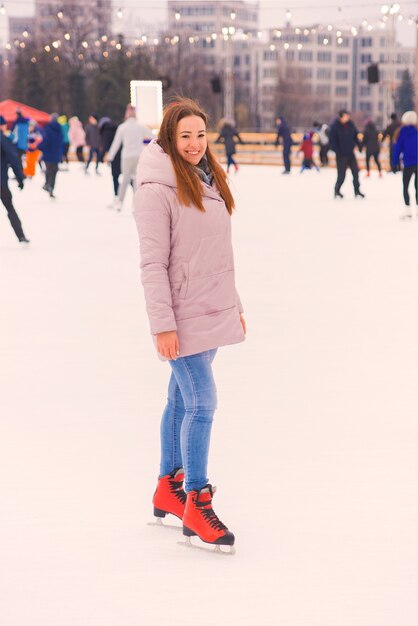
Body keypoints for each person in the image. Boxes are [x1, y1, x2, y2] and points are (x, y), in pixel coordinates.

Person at [134, 98, 246, 552]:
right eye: (185, 136)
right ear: (168, 138)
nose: (195, 143)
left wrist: (232, 303)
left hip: (210, 308)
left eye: (201, 134)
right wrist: (162, 325)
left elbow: (216, 255)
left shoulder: (207, 180)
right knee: (202, 403)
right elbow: (152, 264)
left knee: (180, 399)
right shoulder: (155, 190)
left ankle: (168, 485)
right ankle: (195, 499)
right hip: (180, 316)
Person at [107, 104, 152, 210]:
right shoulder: (140, 127)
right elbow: (153, 137)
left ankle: (120, 202)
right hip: (138, 156)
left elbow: (116, 143)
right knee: (137, 180)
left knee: (125, 180)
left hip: (126, 157)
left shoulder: (122, 127)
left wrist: (110, 156)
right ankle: (135, 204)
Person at [0, 115, 30, 243]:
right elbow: (13, 159)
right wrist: (20, 178)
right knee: (10, 207)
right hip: (1, 182)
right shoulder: (3, 139)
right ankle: (21, 235)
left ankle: (21, 235)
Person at [329, 109, 365, 199]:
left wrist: (359, 145)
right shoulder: (335, 127)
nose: (347, 117)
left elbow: (355, 136)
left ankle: (357, 191)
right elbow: (332, 141)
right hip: (341, 154)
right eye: (346, 116)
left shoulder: (350, 124)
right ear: (341, 116)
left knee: (355, 173)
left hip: (350, 153)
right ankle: (337, 191)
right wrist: (337, 151)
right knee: (341, 175)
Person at [392, 110, 418, 220]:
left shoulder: (401, 132)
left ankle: (408, 210)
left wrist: (394, 162)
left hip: (408, 163)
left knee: (406, 186)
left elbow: (397, 149)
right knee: (417, 187)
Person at [38, 113, 64, 198]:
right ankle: (51, 187)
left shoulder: (48, 128)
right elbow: (61, 143)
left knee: (48, 170)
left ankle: (47, 184)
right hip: (56, 154)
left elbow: (46, 140)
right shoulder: (60, 129)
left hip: (48, 153)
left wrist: (39, 147)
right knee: (54, 172)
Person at [99, 116, 122, 209]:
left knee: (115, 177)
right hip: (123, 155)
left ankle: (117, 196)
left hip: (115, 156)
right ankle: (135, 193)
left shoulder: (106, 132)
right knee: (128, 177)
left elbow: (105, 146)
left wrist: (100, 158)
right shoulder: (117, 128)